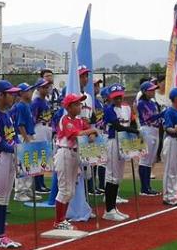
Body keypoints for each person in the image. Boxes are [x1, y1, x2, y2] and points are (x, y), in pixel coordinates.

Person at [51, 93, 98, 230]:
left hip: (75, 154)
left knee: (70, 191)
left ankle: (61, 220)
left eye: (80, 103)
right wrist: (91, 131)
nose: (80, 106)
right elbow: (77, 133)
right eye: (77, 104)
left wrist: (92, 134)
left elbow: (89, 131)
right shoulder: (65, 120)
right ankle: (59, 221)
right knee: (65, 190)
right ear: (69, 107)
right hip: (65, 153)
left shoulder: (79, 120)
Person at [0, 81, 22, 249]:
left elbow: (12, 136)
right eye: (10, 93)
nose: (13, 96)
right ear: (1, 95)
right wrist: (14, 147)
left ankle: (2, 234)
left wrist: (17, 145)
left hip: (8, 155)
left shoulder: (6, 114)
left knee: (5, 196)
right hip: (0, 156)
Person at [102, 85, 135, 222]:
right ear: (111, 97)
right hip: (113, 142)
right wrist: (133, 131)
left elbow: (132, 122)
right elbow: (117, 126)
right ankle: (109, 210)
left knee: (118, 176)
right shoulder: (109, 109)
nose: (119, 98)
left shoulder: (127, 108)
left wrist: (134, 131)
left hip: (124, 141)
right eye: (115, 97)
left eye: (120, 96)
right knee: (112, 176)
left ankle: (113, 208)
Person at [136, 81, 162, 196]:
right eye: (150, 90)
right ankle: (144, 188)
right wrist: (163, 114)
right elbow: (149, 118)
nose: (153, 91)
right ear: (145, 91)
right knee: (145, 160)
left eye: (153, 89)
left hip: (155, 130)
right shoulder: (141, 103)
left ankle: (147, 187)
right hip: (146, 130)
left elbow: (157, 118)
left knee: (150, 160)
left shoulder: (153, 102)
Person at [30, 78, 54, 193]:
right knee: (39, 155)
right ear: (38, 88)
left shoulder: (45, 101)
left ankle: (42, 183)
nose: (46, 88)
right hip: (39, 128)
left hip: (46, 128)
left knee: (44, 156)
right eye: (43, 87)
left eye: (47, 87)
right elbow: (33, 119)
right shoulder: (36, 102)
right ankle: (37, 185)